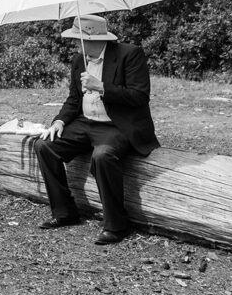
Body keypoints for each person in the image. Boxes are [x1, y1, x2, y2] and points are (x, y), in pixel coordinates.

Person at [34, 15, 158, 245]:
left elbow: (139, 96)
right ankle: (64, 212)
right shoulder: (79, 60)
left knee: (102, 156)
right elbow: (73, 99)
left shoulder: (129, 54)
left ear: (93, 39)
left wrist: (100, 87)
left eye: (77, 39)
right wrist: (59, 122)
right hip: (85, 122)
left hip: (117, 124)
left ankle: (117, 225)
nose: (74, 44)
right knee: (44, 146)